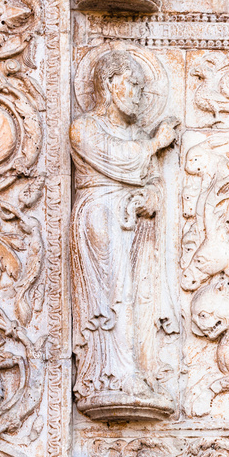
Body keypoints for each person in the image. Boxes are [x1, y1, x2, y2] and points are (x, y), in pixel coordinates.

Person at [70, 51, 180, 409]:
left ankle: (140, 371)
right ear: (108, 84)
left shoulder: (134, 135)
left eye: (144, 88)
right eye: (133, 84)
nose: (139, 94)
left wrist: (149, 198)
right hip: (100, 218)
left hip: (134, 222)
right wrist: (155, 144)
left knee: (138, 294)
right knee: (114, 295)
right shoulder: (84, 127)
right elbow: (119, 160)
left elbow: (149, 181)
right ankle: (110, 374)